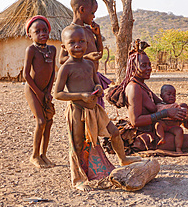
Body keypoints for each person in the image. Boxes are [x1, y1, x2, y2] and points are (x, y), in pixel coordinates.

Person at [54, 25, 139, 191]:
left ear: (87, 43)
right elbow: (57, 94)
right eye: (72, 43)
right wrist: (80, 96)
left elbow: (96, 81)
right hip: (77, 110)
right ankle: (79, 178)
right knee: (78, 144)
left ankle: (123, 159)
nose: (77, 45)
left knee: (114, 132)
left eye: (81, 41)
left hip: (94, 110)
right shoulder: (66, 68)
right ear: (64, 47)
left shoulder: (89, 64)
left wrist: (99, 88)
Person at [59, 0, 111, 108]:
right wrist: (86, 57)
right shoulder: (70, 33)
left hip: (94, 79)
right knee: (83, 114)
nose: (94, 16)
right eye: (92, 12)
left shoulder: (88, 31)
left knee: (97, 115)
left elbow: (99, 54)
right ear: (82, 10)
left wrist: (97, 35)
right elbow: (62, 60)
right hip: (81, 83)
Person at [23, 15, 56, 168]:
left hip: (45, 91)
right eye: (38, 31)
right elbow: (26, 74)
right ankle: (34, 155)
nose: (42, 33)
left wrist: (48, 92)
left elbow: (52, 73)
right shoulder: (31, 50)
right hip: (32, 90)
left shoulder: (52, 49)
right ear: (30, 34)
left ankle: (44, 154)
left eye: (45, 30)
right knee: (41, 121)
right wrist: (39, 93)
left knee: (49, 122)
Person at [155, 84, 188, 153]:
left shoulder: (175, 105)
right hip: (164, 125)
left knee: (179, 131)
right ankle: (161, 137)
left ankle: (178, 148)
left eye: (174, 95)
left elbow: (181, 110)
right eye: (169, 94)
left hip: (173, 126)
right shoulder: (159, 105)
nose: (172, 96)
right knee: (158, 125)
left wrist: (184, 110)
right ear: (161, 96)